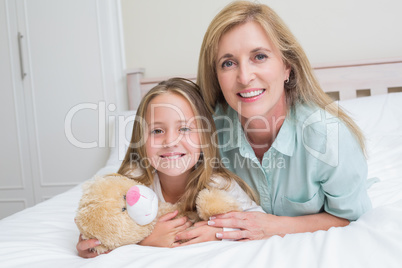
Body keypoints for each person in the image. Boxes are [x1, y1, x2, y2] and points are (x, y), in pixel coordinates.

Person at [176, 1, 372, 242]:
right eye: (228, 63)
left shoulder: (329, 138)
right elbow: (162, 194)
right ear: (216, 77)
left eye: (259, 56)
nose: (245, 77)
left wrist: (275, 226)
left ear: (287, 66)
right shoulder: (206, 133)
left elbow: (350, 217)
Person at [76, 77, 263, 257]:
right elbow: (104, 225)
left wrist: (219, 233)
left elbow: (258, 222)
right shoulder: (132, 185)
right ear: (141, 140)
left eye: (184, 129)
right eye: (157, 131)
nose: (171, 141)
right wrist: (144, 239)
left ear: (204, 137)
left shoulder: (219, 184)